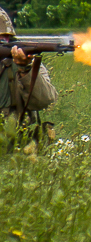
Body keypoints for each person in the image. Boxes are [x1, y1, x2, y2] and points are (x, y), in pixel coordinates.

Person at [0, 8, 58, 151]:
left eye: (5, 38)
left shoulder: (22, 62)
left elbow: (45, 100)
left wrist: (25, 69)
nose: (3, 42)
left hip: (16, 144)